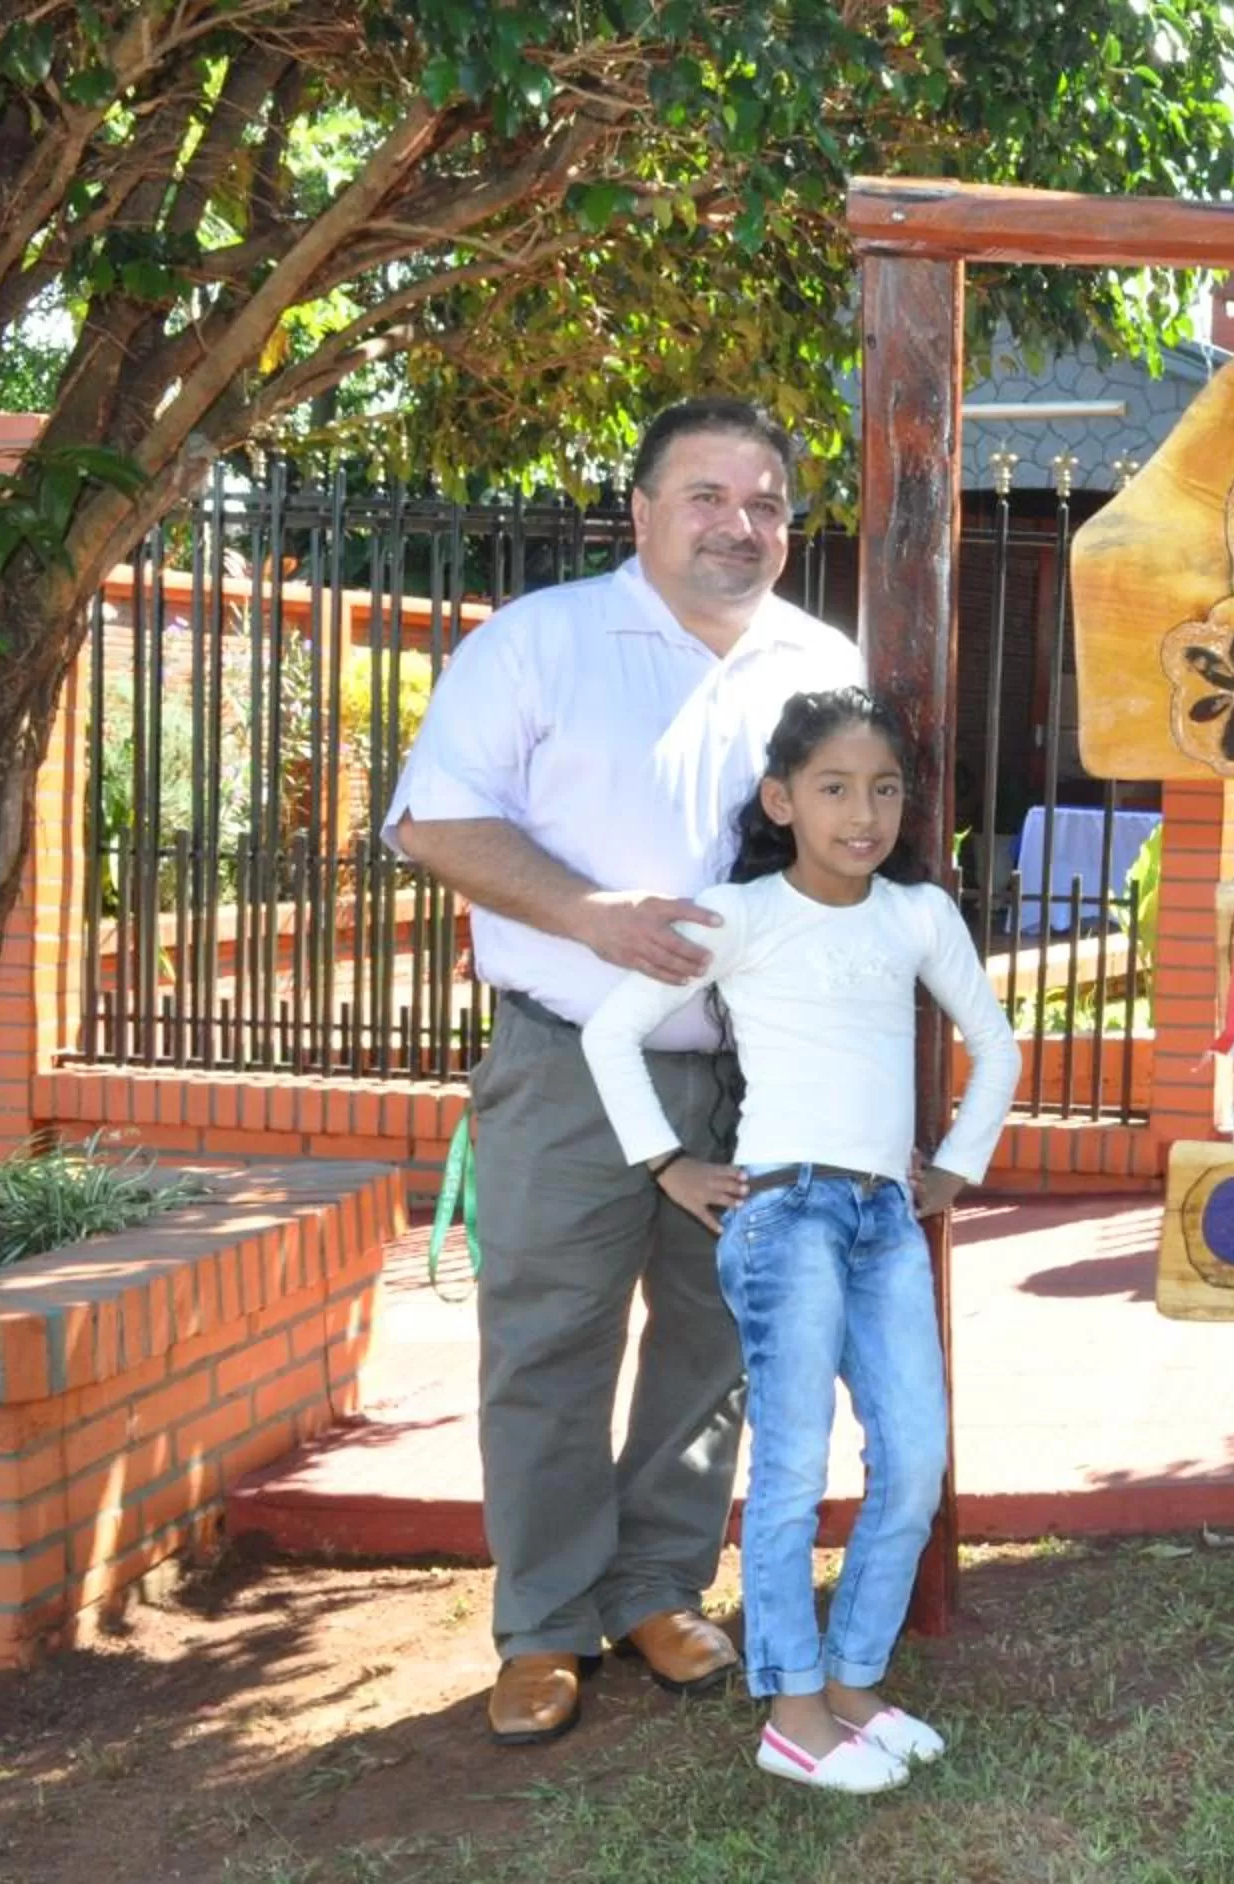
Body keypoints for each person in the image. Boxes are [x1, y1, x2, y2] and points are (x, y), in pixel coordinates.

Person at [384, 399, 865, 1744]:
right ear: (641, 510)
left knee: (714, 1344)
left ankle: (656, 1588)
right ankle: (542, 1625)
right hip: (569, 1067)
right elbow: (430, 822)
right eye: (707, 495)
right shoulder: (541, 642)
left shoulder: (820, 663)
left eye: (766, 501)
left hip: (751, 1077)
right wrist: (591, 916)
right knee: (548, 1342)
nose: (740, 523)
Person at [582, 689, 1019, 1793]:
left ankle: (857, 1682)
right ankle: (790, 1706)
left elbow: (995, 1042)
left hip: (885, 1218)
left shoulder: (917, 915)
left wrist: (957, 1163)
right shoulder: (740, 915)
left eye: (883, 789)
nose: (861, 813)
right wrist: (668, 1164)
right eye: (833, 788)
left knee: (915, 1455)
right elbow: (608, 1030)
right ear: (783, 798)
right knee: (790, 1464)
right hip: (783, 1216)